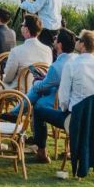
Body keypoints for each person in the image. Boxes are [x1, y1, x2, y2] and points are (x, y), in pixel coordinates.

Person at [28, 28, 76, 162]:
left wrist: (37, 82)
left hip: (63, 106)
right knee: (40, 95)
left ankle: (42, 151)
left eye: (55, 39)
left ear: (59, 45)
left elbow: (44, 86)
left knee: (37, 107)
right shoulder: (76, 59)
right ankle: (21, 108)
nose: (53, 41)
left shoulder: (57, 66)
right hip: (72, 102)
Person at [56, 29, 94, 113]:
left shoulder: (71, 65)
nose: (76, 41)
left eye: (78, 39)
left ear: (82, 44)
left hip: (75, 118)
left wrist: (65, 109)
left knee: (39, 109)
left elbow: (63, 100)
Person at [2, 14, 54, 87]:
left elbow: (8, 78)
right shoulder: (48, 50)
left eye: (22, 25)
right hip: (39, 92)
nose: (21, 27)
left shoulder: (16, 51)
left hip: (18, 94)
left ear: (26, 29)